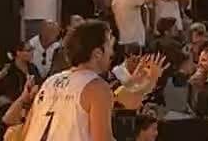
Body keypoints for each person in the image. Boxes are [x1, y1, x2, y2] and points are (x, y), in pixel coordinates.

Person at [21, 20, 161, 141]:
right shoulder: (96, 87)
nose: (112, 53)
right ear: (97, 53)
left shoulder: (49, 82)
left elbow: (26, 132)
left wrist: (143, 84)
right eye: (109, 46)